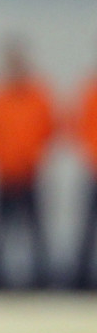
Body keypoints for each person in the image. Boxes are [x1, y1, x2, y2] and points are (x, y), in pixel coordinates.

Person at [0, 37, 56, 289]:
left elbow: (48, 130)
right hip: (4, 175)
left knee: (36, 231)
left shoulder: (38, 95)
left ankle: (42, 277)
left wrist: (31, 157)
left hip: (30, 173)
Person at [71, 57, 97, 289]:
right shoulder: (91, 93)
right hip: (95, 171)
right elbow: (84, 128)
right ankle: (80, 279)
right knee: (87, 230)